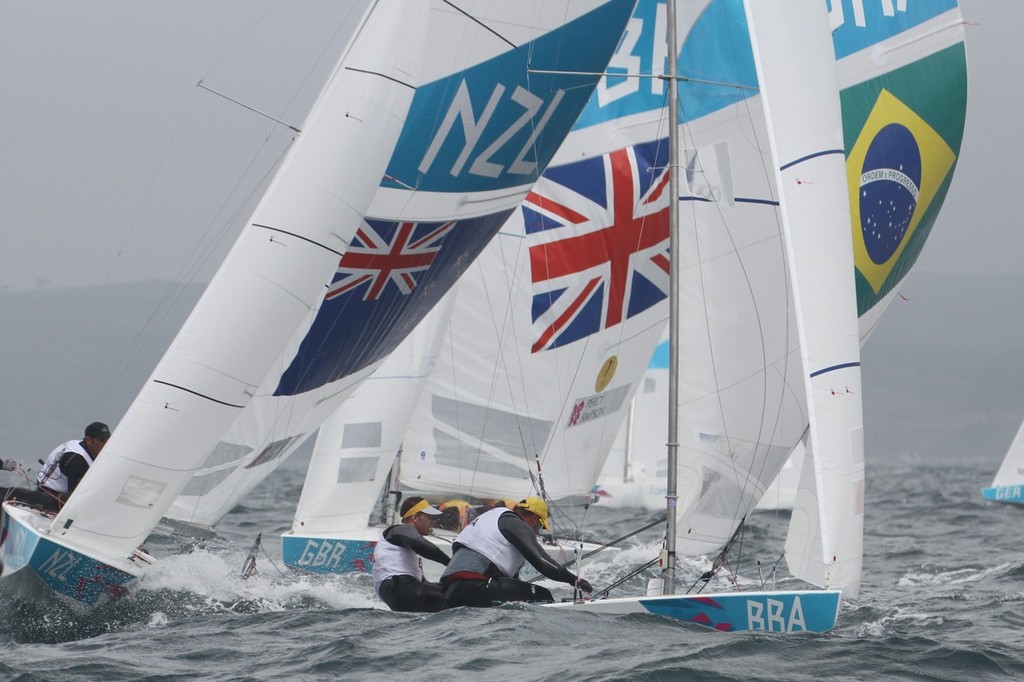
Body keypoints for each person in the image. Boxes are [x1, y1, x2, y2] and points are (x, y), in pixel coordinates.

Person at [440, 496, 592, 608]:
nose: (538, 532)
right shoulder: (515, 523)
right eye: (540, 526)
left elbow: (513, 582)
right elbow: (543, 563)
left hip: (450, 590)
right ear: (534, 517)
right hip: (474, 586)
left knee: (520, 595)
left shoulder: (492, 518)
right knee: (542, 595)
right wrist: (575, 580)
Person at [372, 496, 452, 613]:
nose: (432, 521)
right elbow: (420, 545)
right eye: (429, 517)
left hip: (398, 590)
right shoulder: (400, 529)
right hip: (397, 586)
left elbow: (423, 584)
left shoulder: (408, 550)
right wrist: (450, 563)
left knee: (449, 592)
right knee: (455, 596)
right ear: (415, 517)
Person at [35, 421, 110, 508]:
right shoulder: (78, 460)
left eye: (109, 439)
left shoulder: (80, 445)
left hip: (49, 487)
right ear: (89, 440)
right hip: (52, 497)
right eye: (103, 441)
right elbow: (76, 497)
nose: (107, 444)